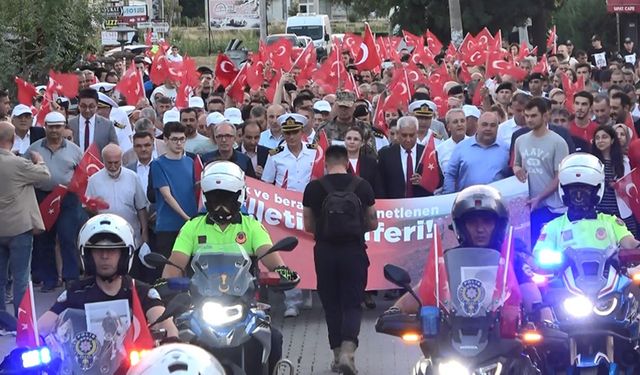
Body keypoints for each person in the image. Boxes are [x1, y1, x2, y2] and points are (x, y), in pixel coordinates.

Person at [161, 161, 298, 375]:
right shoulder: (192, 227)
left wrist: (283, 271)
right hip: (200, 306)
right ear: (206, 198)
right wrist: (165, 281)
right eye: (215, 199)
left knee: (274, 337)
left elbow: (270, 256)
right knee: (173, 340)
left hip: (244, 304)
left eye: (226, 198)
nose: (220, 205)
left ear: (239, 197)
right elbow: (175, 263)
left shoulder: (251, 225)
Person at [388, 185, 542, 315]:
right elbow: (423, 291)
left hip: (503, 338)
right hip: (453, 336)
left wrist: (545, 319)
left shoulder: (512, 259)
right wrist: (394, 312)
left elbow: (534, 300)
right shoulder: (448, 261)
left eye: (487, 221)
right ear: (461, 226)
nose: (480, 229)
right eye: (472, 222)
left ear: (499, 225)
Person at [37, 214, 179, 339]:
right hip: (84, 367)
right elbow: (41, 328)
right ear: (87, 256)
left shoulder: (141, 292)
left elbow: (165, 325)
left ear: (124, 254)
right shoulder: (75, 292)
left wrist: (171, 338)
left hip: (135, 367)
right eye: (98, 251)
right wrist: (29, 340)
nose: (105, 256)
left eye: (112, 250)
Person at [302, 145, 378, 375]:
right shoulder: (362, 186)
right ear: (347, 163)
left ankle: (336, 356)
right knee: (353, 303)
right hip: (353, 251)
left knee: (331, 304)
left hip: (325, 252)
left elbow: (308, 226)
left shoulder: (313, 188)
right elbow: (373, 222)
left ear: (325, 163)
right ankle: (348, 351)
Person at [27, 111, 84, 292]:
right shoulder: (33, 150)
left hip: (67, 198)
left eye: (58, 127)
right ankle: (49, 279)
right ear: (45, 127)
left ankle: (71, 278)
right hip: (42, 196)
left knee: (67, 236)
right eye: (50, 127)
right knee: (45, 238)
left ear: (64, 127)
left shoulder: (75, 150)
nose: (54, 131)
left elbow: (82, 175)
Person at [0, 121, 50, 316]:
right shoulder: (18, 163)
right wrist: (39, 160)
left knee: (0, 277)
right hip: (19, 228)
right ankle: (22, 318)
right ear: (12, 140)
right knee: (21, 277)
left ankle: (2, 319)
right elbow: (44, 175)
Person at [513, 98, 569, 246]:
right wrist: (517, 169)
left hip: (552, 207)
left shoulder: (558, 142)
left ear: (545, 116)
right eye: (527, 116)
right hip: (528, 206)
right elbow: (516, 164)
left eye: (533, 116)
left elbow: (560, 176)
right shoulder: (520, 140)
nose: (529, 119)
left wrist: (540, 197)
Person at [149, 122, 198, 281]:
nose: (179, 143)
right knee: (169, 275)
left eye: (182, 139)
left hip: (191, 226)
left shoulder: (190, 162)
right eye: (175, 139)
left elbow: (195, 188)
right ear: (165, 140)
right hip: (169, 227)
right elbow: (167, 196)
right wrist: (188, 218)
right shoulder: (157, 164)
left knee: (192, 273)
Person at [443, 111, 509, 193]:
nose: (488, 128)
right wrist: (450, 198)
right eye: (484, 124)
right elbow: (450, 175)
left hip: (496, 201)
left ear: (498, 127)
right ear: (477, 126)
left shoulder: (506, 149)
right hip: (466, 201)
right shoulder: (461, 147)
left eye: (493, 125)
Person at [590, 125, 637, 236]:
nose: (600, 140)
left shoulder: (624, 161)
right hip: (599, 211)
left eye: (604, 137)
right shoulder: (592, 162)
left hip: (621, 210)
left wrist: (619, 186)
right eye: (597, 138)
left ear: (612, 140)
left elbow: (630, 187)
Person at [376, 116, 434, 198]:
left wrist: (424, 181)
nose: (408, 139)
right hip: (394, 207)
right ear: (398, 133)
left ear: (417, 133)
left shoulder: (428, 153)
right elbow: (379, 184)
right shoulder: (385, 154)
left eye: (411, 135)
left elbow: (439, 180)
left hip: (422, 206)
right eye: (404, 135)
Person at [68, 88, 118, 154]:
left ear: (97, 106)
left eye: (91, 106)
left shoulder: (107, 125)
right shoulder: (70, 124)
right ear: (78, 105)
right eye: (83, 106)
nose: (87, 110)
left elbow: (115, 148)